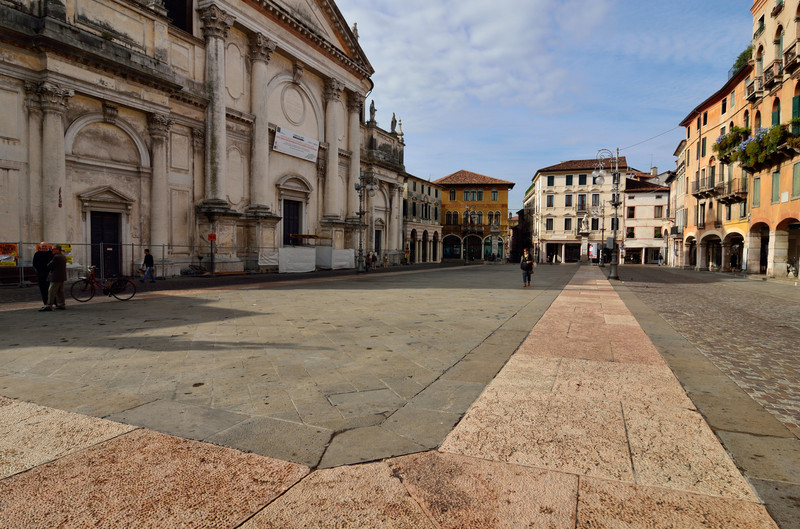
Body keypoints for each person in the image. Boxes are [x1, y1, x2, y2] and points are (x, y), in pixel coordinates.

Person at [41, 244, 66, 311]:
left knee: (51, 291)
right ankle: (61, 304)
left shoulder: (56, 257)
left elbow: (49, 265)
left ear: (57, 250)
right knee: (60, 291)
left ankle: (49, 305)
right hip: (61, 276)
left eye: (53, 249)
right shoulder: (62, 256)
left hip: (56, 277)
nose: (52, 250)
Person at [32, 241, 53, 309]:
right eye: (42, 246)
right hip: (40, 274)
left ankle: (52, 302)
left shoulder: (51, 253)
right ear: (40, 247)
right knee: (43, 289)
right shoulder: (37, 254)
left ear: (48, 246)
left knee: (51, 289)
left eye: (45, 246)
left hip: (49, 274)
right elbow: (34, 263)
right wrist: (38, 269)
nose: (44, 247)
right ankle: (45, 303)